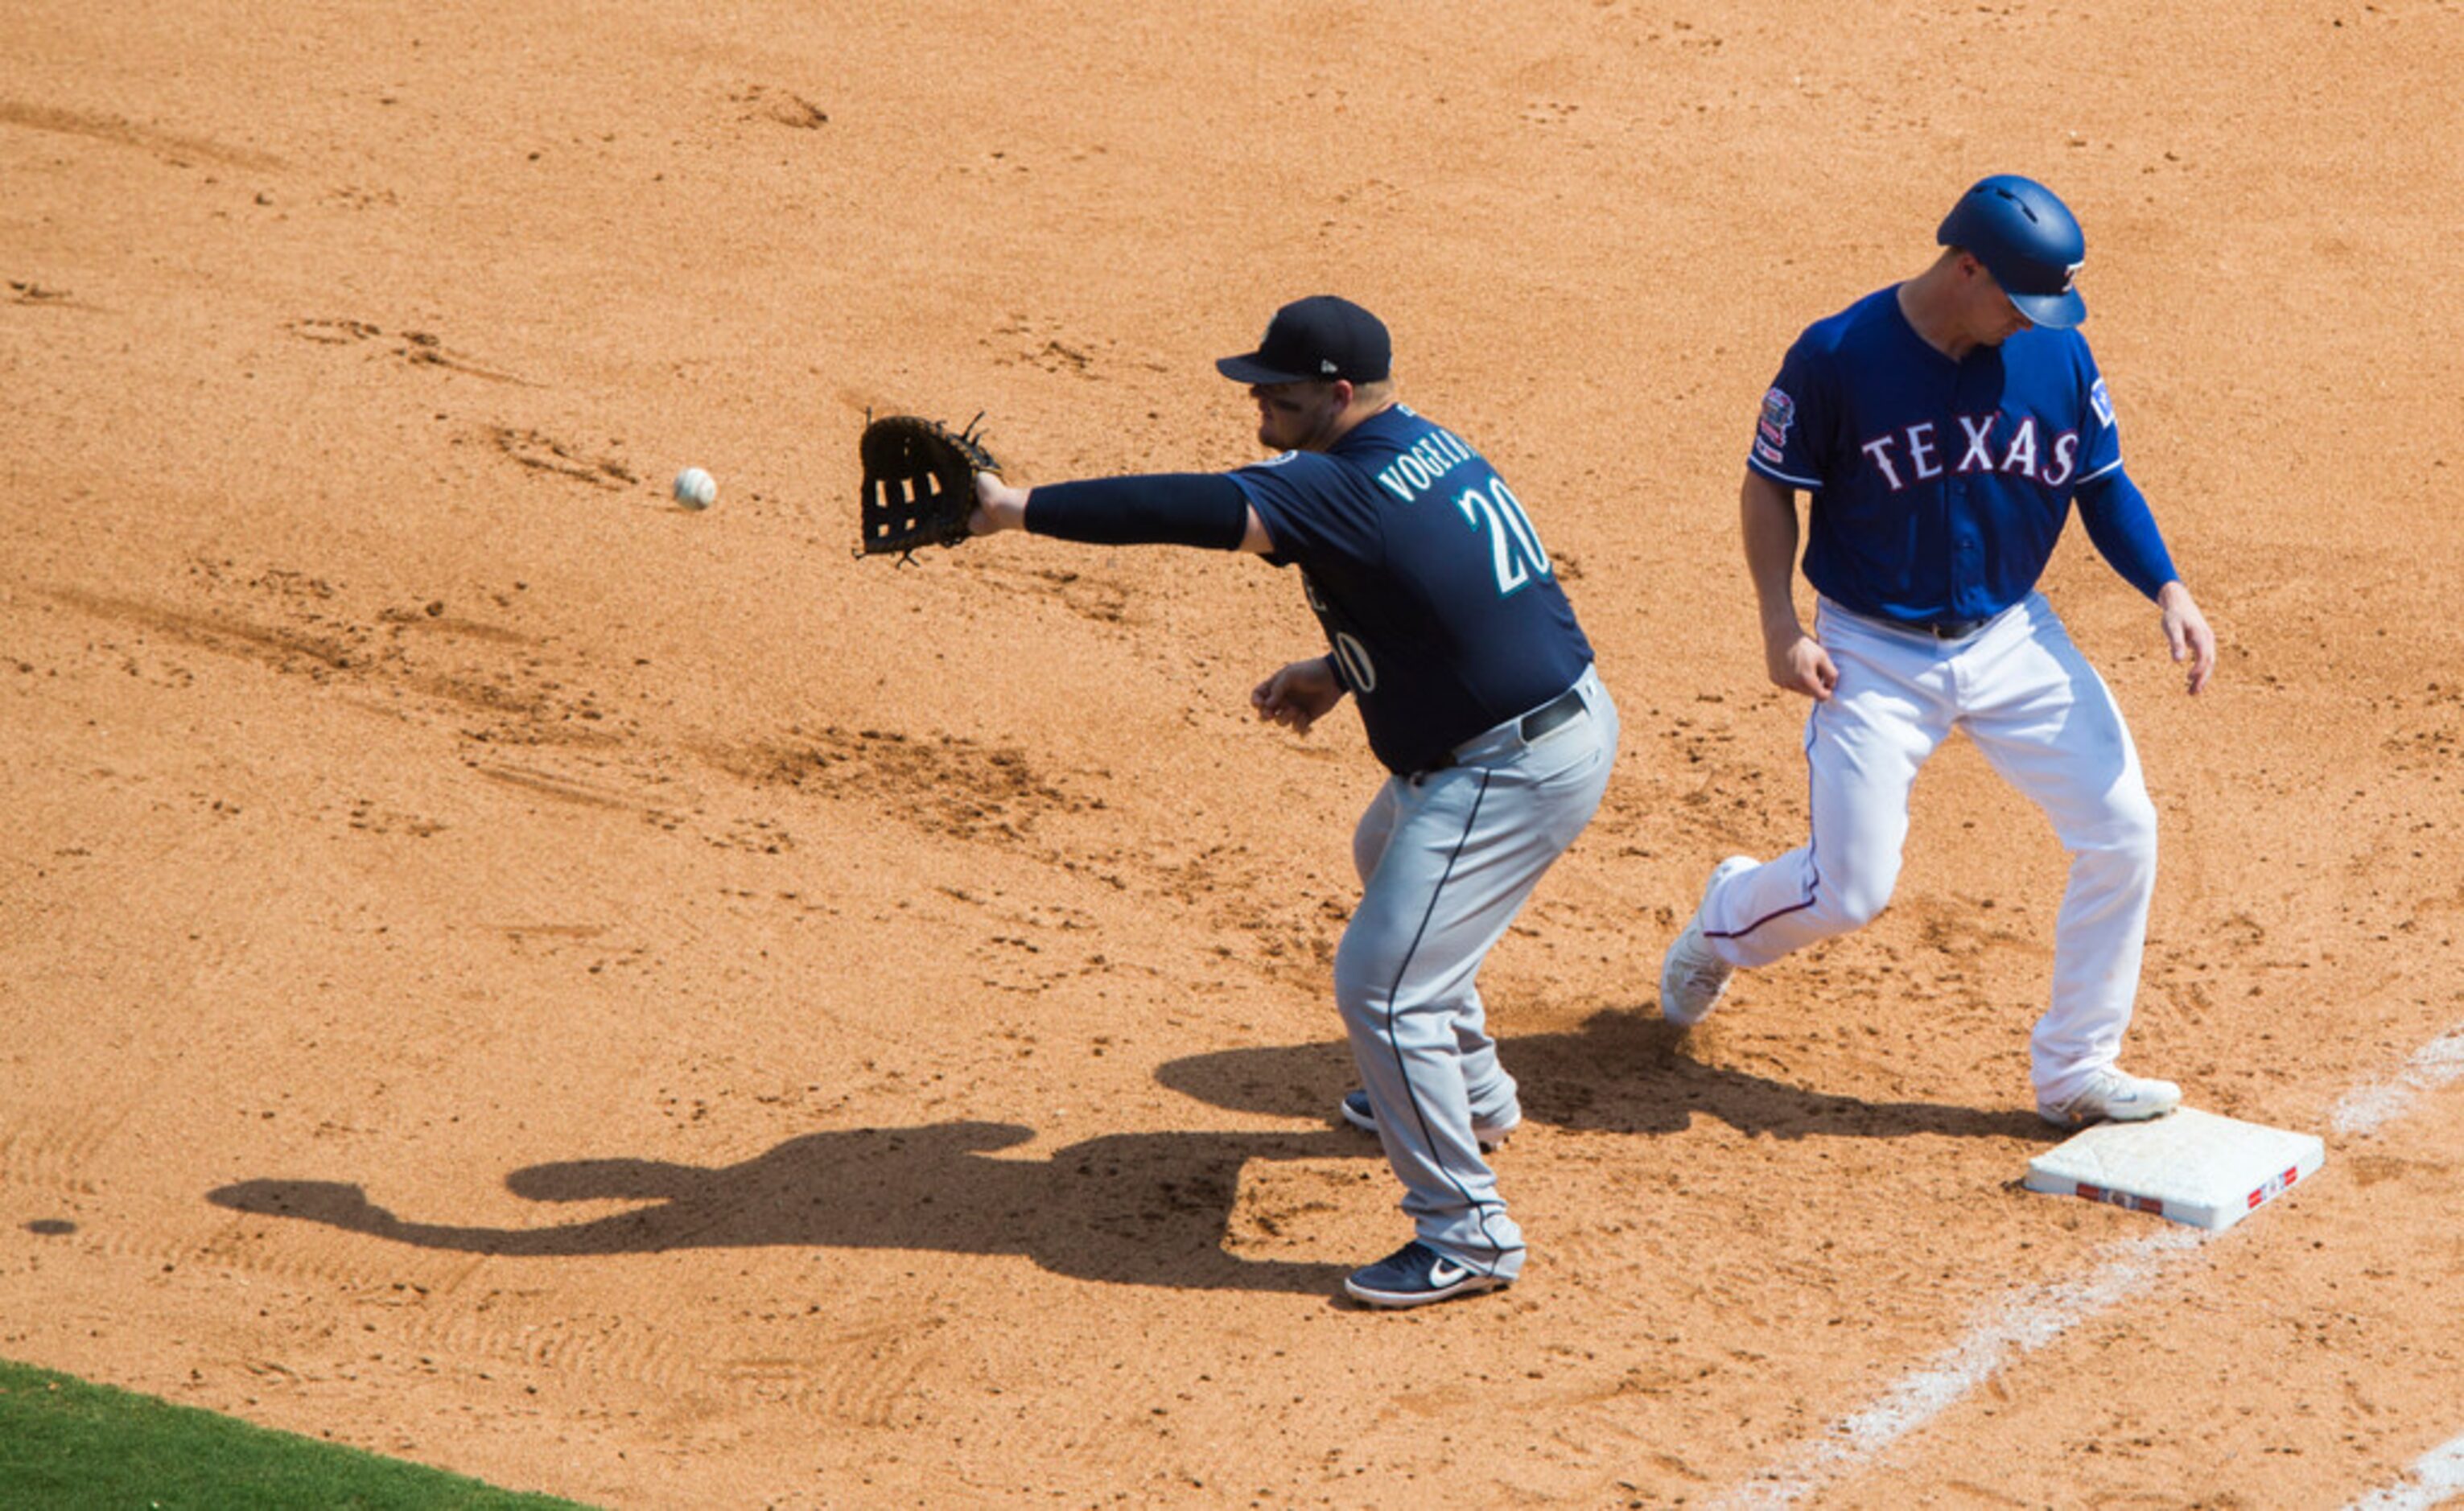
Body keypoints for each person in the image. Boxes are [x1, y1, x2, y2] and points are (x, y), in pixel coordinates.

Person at [970, 295, 1618, 1307]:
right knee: (1385, 861)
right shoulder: (1424, 448)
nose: (1256, 398)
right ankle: (1476, 1096)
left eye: (1278, 386)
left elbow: (1178, 511)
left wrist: (1017, 509)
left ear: (1340, 394)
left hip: (1505, 766)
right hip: (1536, 725)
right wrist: (1338, 667)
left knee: (1381, 982)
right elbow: (1449, 599)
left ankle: (1467, 1232)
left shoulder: (1333, 486)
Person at [1657, 175, 2216, 1130]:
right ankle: (1724, 919)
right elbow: (1768, 487)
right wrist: (1777, 624)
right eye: (2019, 300)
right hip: (1871, 653)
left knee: (2122, 830)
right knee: (1850, 892)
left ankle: (2076, 1067)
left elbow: (2103, 485)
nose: (2033, 322)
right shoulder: (1838, 356)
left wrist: (2166, 584)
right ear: (1965, 267)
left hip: (2012, 637)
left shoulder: (2056, 355)